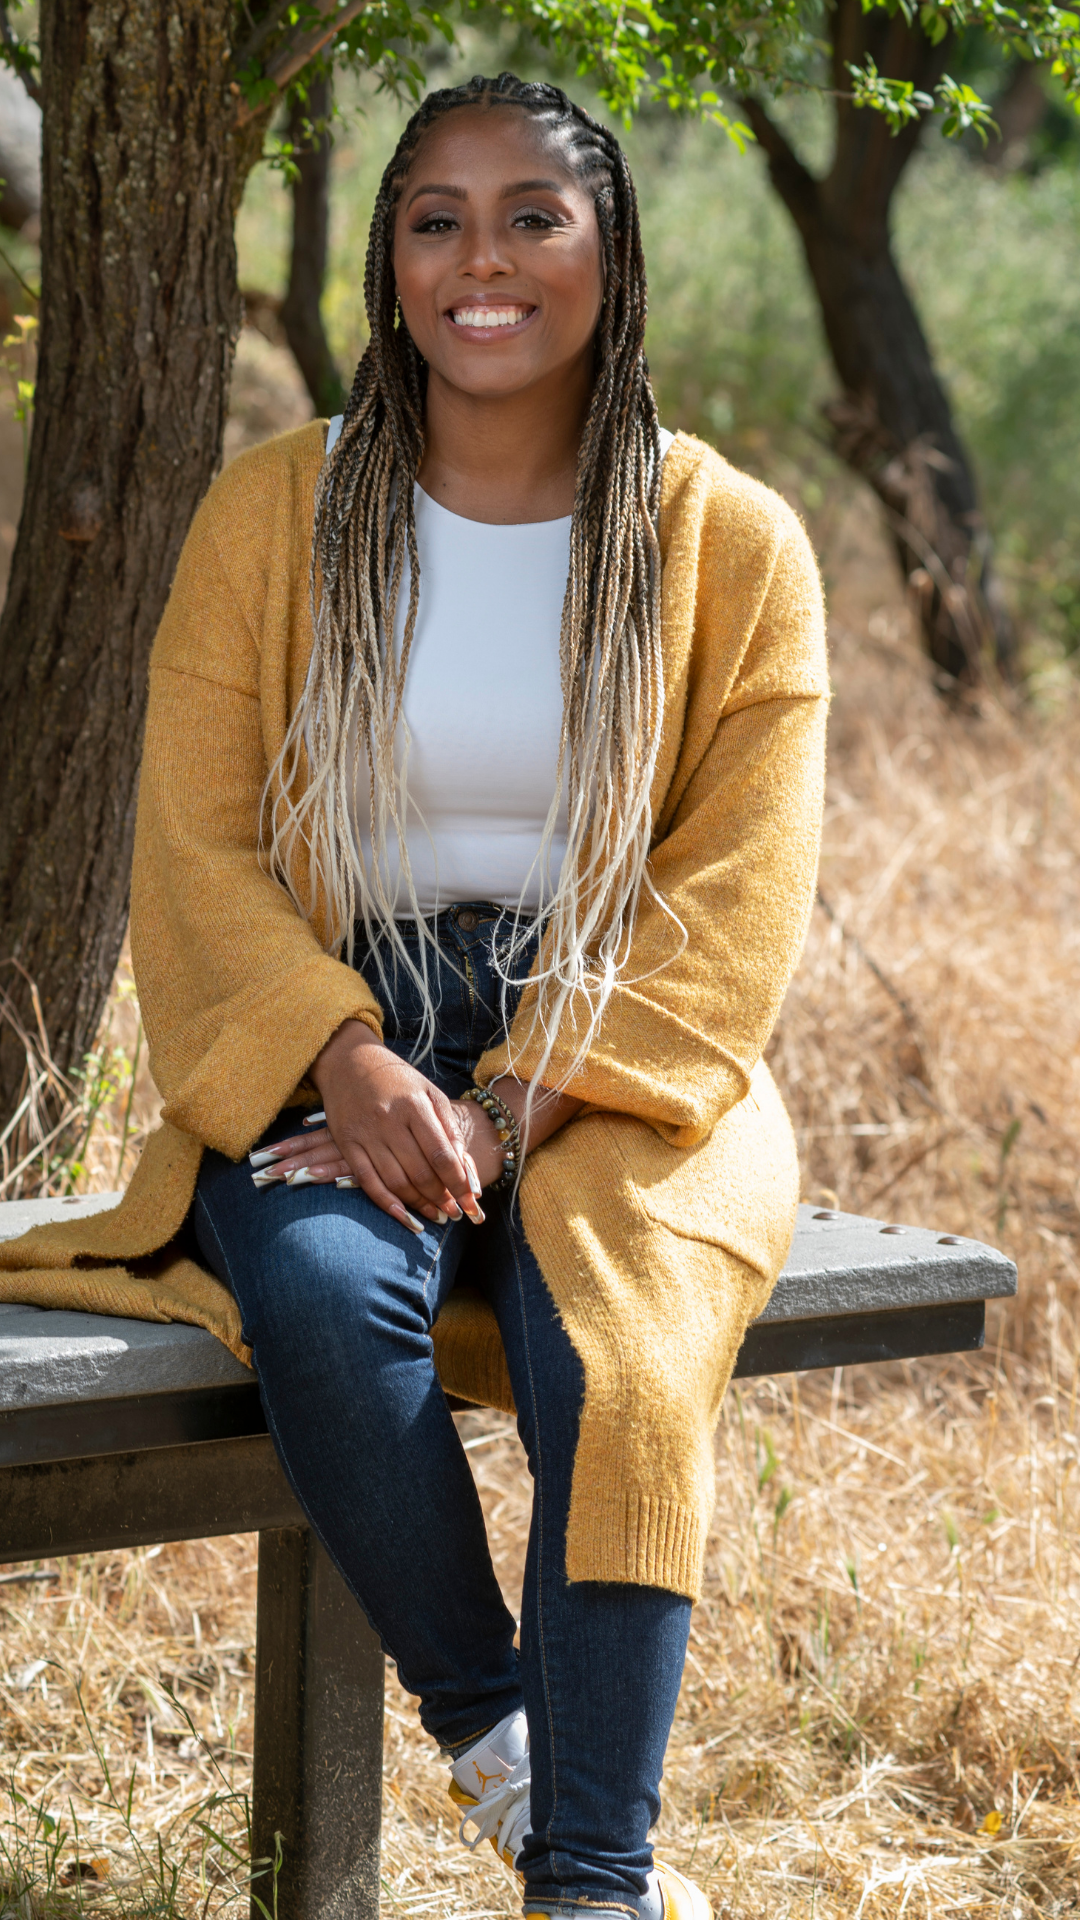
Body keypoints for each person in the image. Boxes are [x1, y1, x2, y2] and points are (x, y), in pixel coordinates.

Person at [0, 70, 829, 1920]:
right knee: (314, 1294)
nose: (484, 261)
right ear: (386, 266)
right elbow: (197, 840)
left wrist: (521, 1093)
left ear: (610, 255)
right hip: (338, 1023)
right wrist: (346, 1054)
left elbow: (739, 882)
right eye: (436, 218)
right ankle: (508, 1750)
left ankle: (589, 1888)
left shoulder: (729, 542)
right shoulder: (273, 512)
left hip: (616, 1052)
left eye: (535, 214)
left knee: (620, 1367)